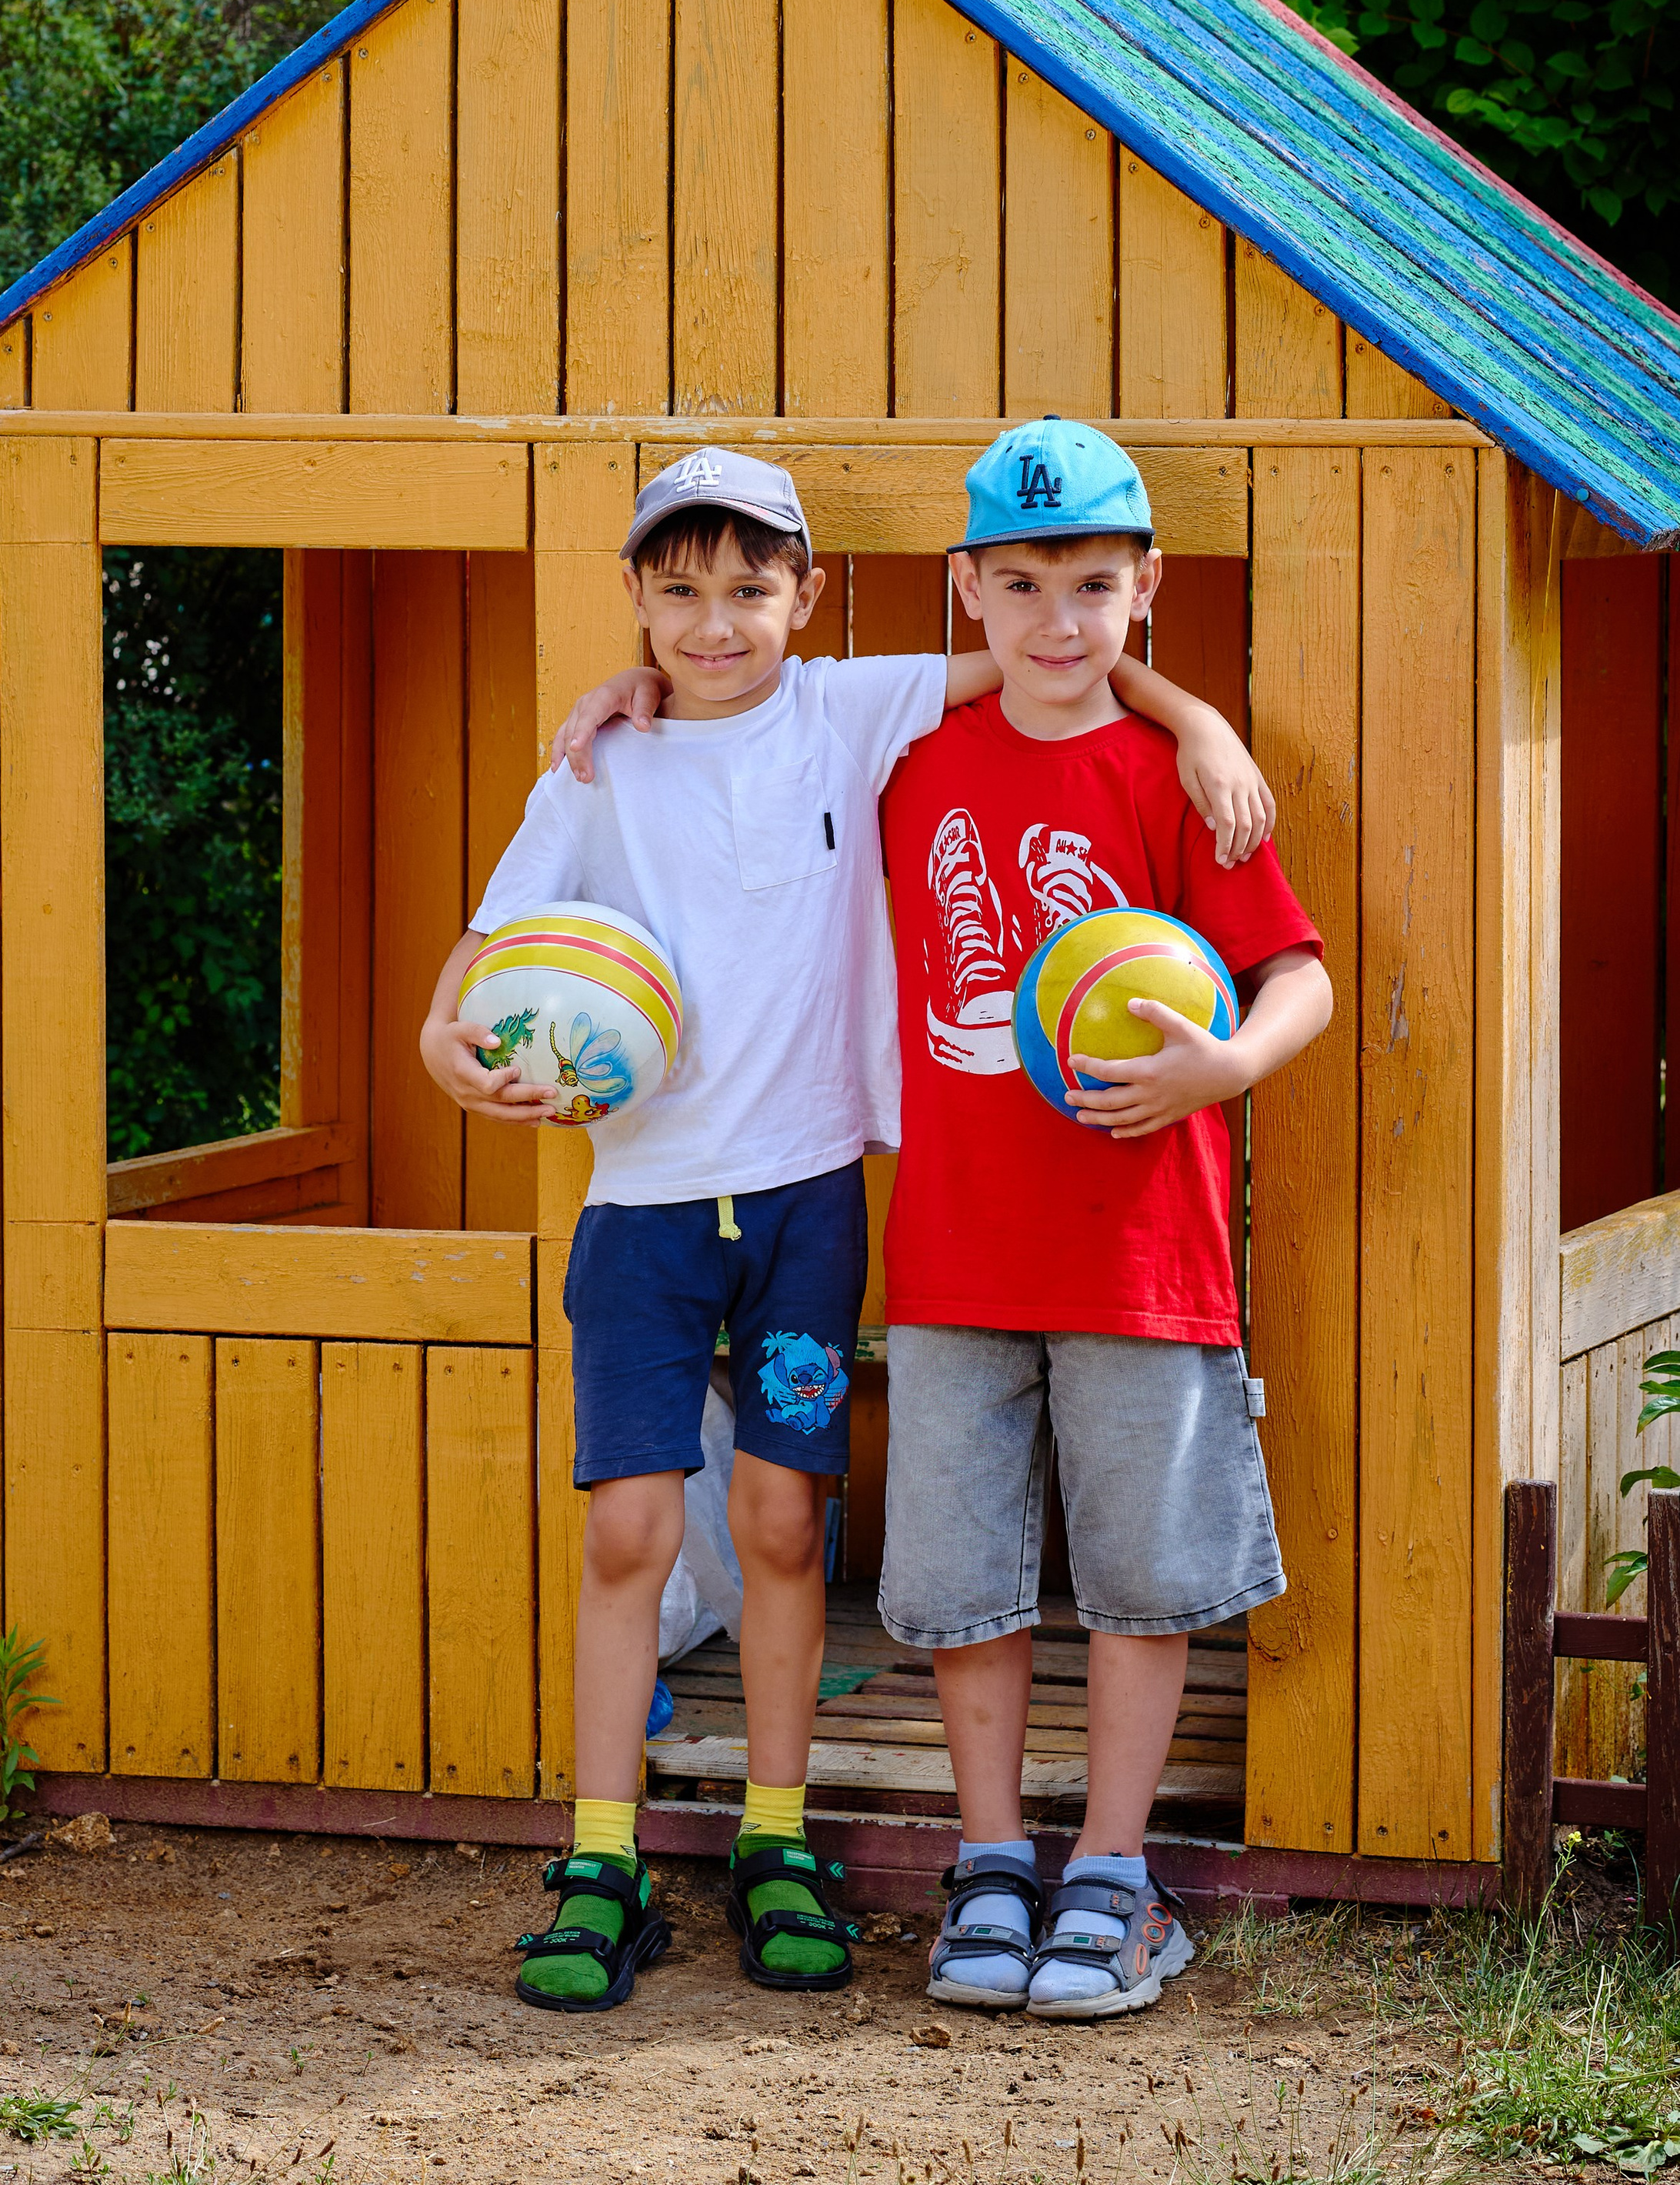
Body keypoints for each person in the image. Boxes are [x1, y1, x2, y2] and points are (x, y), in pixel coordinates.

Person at [422, 445, 1272, 2016]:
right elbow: (478, 961)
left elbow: (1057, 657)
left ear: (807, 596)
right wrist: (439, 1043)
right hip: (640, 1206)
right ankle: (599, 1858)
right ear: (634, 598)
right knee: (627, 1531)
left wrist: (1199, 718)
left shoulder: (848, 708)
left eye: (749, 589)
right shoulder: (595, 769)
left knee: (777, 1524)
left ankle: (775, 1839)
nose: (715, 621)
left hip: (807, 1195)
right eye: (678, 592)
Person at [875, 419, 1330, 2020]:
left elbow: (1296, 975)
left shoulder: (1176, 775)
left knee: (1141, 1577)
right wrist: (620, 694)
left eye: (1090, 585)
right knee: (960, 1580)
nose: (1056, 620)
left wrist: (1226, 1066)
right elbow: (743, 712)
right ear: (966, 590)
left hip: (1145, 1254)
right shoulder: (909, 761)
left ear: (1146, 585)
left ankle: (1115, 1877)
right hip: (953, 1250)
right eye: (1020, 584)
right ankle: (992, 1860)